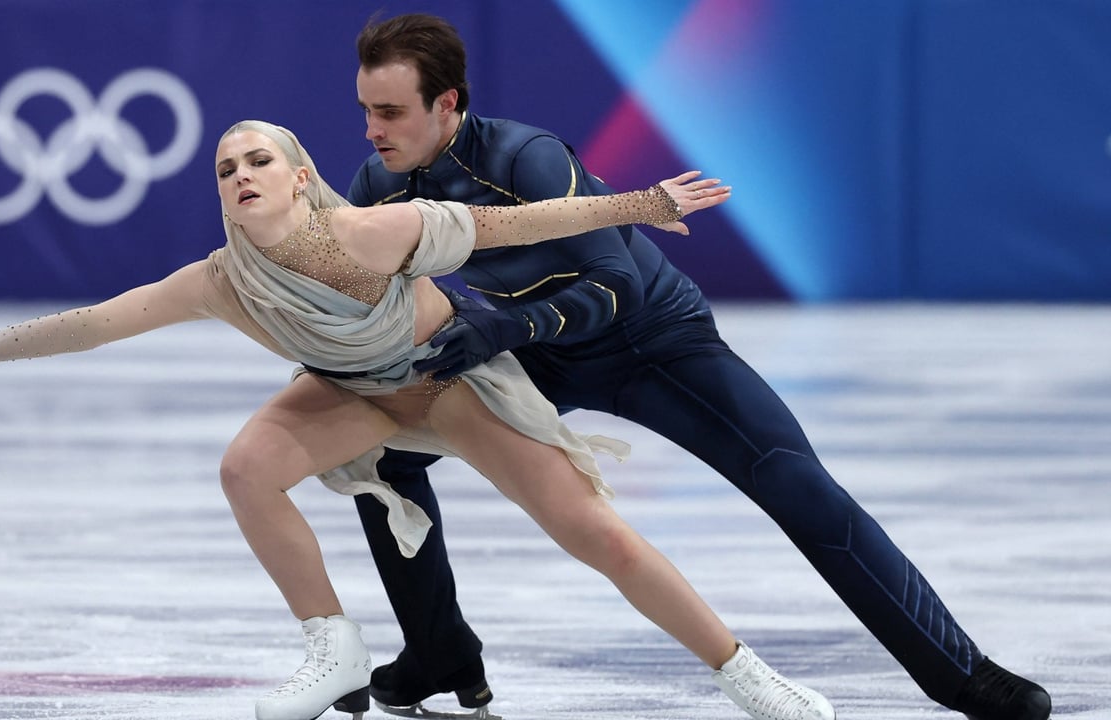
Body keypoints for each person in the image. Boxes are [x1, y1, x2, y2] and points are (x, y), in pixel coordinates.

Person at [0, 120, 839, 720]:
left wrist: (640, 202)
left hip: (453, 383)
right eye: (225, 168)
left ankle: (743, 674)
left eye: (260, 160)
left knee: (596, 534)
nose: (242, 175)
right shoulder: (217, 282)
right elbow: (91, 325)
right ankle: (331, 651)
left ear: (298, 176)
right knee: (247, 467)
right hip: (349, 392)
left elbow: (509, 225)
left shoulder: (371, 230)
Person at [347, 12, 1051, 720]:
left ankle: (962, 674)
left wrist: (506, 326)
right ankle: (439, 650)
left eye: (390, 112)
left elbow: (614, 283)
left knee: (797, 485)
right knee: (381, 456)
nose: (374, 129)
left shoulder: (524, 158)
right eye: (367, 111)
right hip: (536, 353)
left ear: (448, 104)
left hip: (656, 343)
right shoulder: (378, 188)